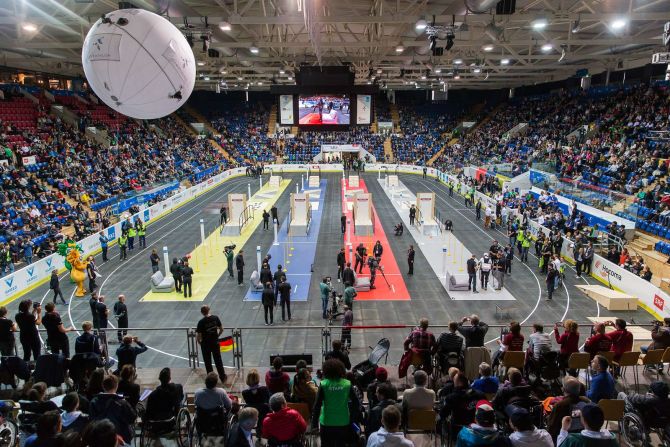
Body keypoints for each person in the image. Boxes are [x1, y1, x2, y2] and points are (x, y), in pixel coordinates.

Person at [311, 359, 361, 447]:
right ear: (341, 370)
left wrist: (314, 424)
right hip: (343, 422)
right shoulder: (347, 384)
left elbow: (317, 406)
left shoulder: (323, 384)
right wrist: (352, 418)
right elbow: (356, 403)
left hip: (326, 422)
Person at [89, 375, 137, 444]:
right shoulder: (122, 403)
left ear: (103, 386)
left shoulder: (94, 401)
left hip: (100, 439)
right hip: (120, 438)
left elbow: (92, 421)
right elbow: (132, 418)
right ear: (116, 386)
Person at [196, 305, 226, 381]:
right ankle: (222, 377)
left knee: (208, 362)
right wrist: (217, 336)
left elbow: (199, 336)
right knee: (218, 360)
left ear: (202, 312)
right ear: (209, 310)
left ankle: (211, 379)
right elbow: (222, 329)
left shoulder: (201, 322)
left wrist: (200, 343)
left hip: (205, 344)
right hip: (215, 342)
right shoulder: (215, 318)